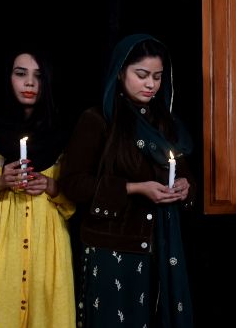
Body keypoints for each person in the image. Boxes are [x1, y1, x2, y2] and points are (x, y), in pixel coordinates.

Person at [60, 34, 195, 328]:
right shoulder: (98, 120)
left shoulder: (165, 123)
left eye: (157, 77)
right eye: (142, 75)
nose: (151, 84)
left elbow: (184, 174)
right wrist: (134, 188)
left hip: (160, 249)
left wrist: (185, 187)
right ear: (120, 72)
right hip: (110, 250)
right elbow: (72, 183)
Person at [0, 49, 76, 327]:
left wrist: (50, 186)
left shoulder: (62, 137)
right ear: (7, 78)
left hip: (45, 255)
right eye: (20, 74)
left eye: (39, 76)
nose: (30, 83)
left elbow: (73, 205)